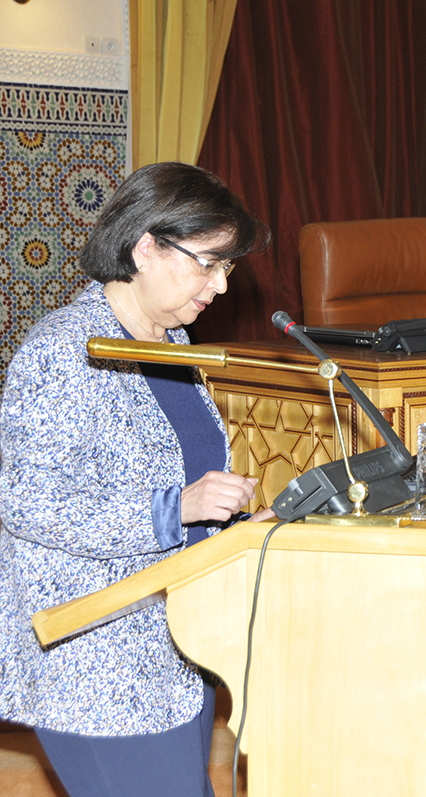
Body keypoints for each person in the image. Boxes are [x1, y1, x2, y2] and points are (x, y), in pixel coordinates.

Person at [0, 161, 272, 796]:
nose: (221, 286)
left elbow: (175, 473)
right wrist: (175, 508)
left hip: (176, 644)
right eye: (209, 263)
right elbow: (28, 502)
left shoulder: (171, 339)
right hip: (97, 658)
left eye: (227, 267)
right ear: (145, 247)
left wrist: (236, 530)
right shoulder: (62, 350)